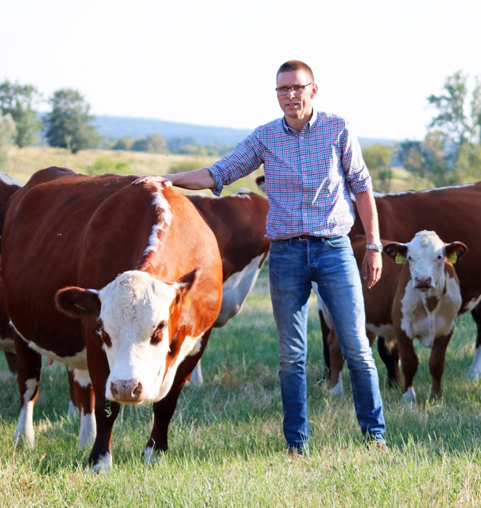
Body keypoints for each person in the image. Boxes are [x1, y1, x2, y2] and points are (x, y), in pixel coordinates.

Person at [135, 60, 387, 456]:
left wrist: (373, 246)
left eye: (297, 88)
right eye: (282, 89)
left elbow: (362, 187)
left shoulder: (339, 129)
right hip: (286, 254)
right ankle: (296, 444)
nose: (290, 96)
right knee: (292, 354)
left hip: (334, 248)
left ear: (313, 90)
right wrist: (168, 179)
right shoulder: (266, 137)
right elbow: (220, 172)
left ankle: (375, 438)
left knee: (356, 346)